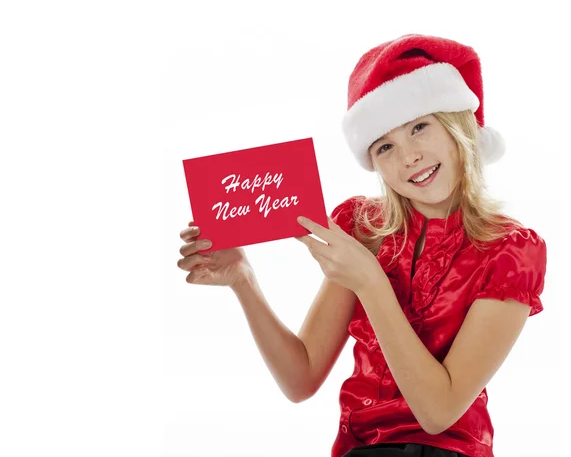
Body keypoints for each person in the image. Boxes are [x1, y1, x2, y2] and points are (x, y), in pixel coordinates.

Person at [176, 34, 547, 457]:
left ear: (457, 127)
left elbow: (438, 411)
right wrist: (244, 281)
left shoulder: (512, 251)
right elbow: (301, 379)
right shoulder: (361, 226)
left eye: (419, 127)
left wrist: (371, 283)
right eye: (385, 146)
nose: (408, 157)